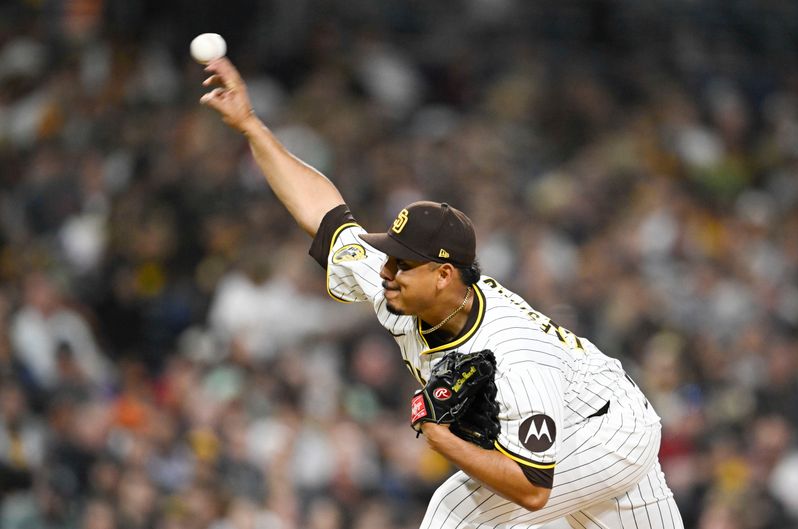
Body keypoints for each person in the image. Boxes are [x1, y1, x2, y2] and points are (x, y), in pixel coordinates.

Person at [199, 57, 685, 529]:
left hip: (602, 429)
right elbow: (325, 214)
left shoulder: (513, 354)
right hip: (580, 422)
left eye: (403, 263)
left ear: (444, 276)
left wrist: (439, 436)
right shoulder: (400, 286)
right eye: (389, 255)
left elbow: (533, 489)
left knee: (454, 516)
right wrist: (251, 127)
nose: (387, 270)